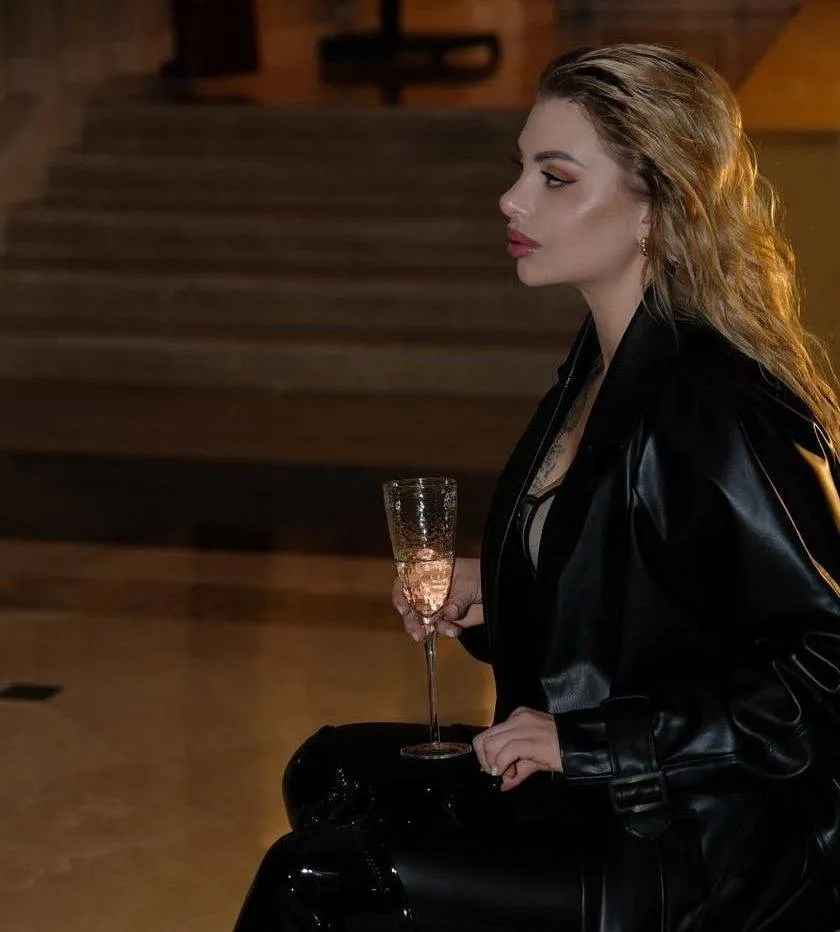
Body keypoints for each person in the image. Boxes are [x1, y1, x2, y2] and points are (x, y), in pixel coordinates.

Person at [232, 44, 840, 931]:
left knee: (315, 879)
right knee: (331, 771)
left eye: (554, 178)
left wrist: (590, 743)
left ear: (658, 208)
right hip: (611, 792)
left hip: (689, 842)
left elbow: (827, 665)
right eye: (522, 169)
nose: (512, 200)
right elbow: (648, 597)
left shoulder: (719, 406)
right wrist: (503, 589)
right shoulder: (601, 365)